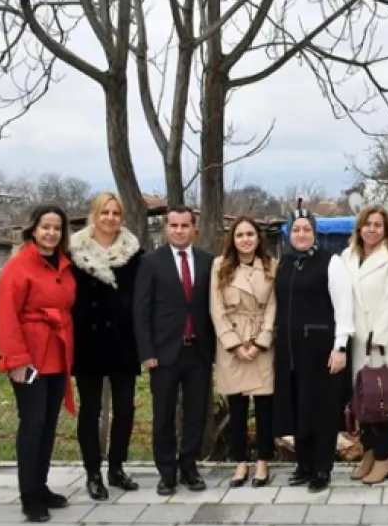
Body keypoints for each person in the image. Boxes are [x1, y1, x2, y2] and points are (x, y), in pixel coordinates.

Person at [0, 204, 77, 522]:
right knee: (32, 423)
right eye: (46, 227)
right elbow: (6, 317)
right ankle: (29, 495)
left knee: (48, 424)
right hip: (28, 359)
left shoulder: (64, 265)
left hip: (56, 356)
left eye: (57, 228)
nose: (51, 233)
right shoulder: (18, 267)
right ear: (33, 229)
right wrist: (16, 361)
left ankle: (40, 485)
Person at [134, 206, 216, 496]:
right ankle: (166, 473)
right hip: (164, 352)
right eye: (174, 226)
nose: (179, 231)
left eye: (185, 225)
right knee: (164, 414)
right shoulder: (151, 262)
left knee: (195, 413)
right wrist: (147, 351)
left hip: (199, 351)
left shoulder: (209, 262)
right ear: (165, 228)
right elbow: (141, 310)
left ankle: (189, 467)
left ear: (194, 228)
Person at [273, 202, 354, 493]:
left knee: (322, 410)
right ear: (289, 234)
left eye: (307, 229)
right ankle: (304, 464)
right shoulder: (283, 263)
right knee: (298, 409)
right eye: (296, 229)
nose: (301, 234)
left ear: (315, 233)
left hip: (322, 351)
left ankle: (322, 468)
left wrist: (341, 347)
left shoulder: (330, 262)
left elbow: (344, 307)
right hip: (290, 353)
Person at [68, 192, 144, 500]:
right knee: (91, 409)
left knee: (125, 409)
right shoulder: (74, 250)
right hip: (87, 339)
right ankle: (92, 473)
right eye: (105, 212)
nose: (110, 218)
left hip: (123, 340)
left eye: (115, 213)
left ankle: (116, 467)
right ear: (94, 215)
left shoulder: (133, 252)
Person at [341, 205, 388, 485]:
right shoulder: (347, 257)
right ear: (359, 228)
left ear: (386, 230)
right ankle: (369, 454)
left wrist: (377, 337)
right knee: (363, 403)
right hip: (356, 341)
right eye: (367, 224)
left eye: (378, 225)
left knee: (383, 402)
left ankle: (385, 459)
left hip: (382, 344)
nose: (372, 229)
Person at [209, 216, 278, 488]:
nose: (246, 239)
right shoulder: (220, 266)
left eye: (250, 234)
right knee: (237, 408)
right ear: (232, 239)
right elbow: (215, 309)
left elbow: (273, 305)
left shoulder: (272, 266)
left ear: (258, 238)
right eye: (240, 235)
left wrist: (261, 341)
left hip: (261, 342)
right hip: (232, 344)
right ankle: (240, 462)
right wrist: (235, 344)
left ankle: (263, 461)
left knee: (264, 407)